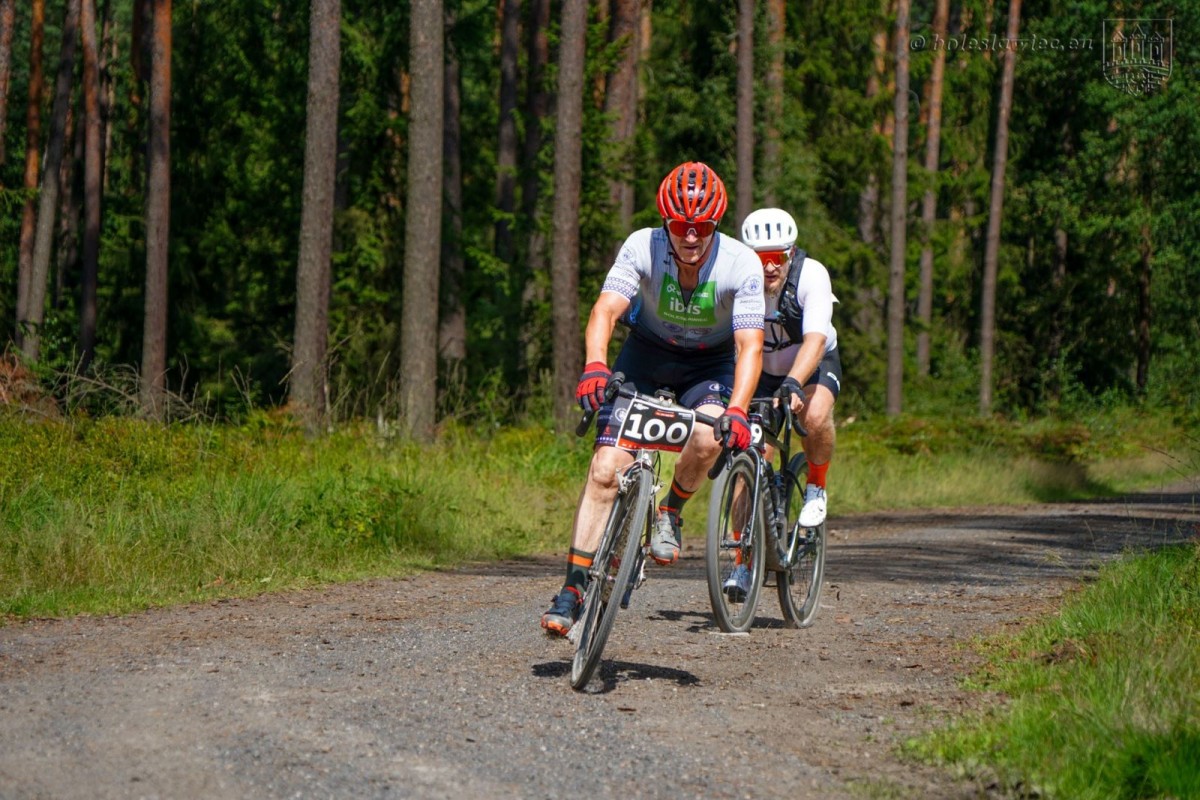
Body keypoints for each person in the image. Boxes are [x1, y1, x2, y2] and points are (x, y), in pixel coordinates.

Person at [540, 161, 766, 636]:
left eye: (701, 227)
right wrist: (595, 365)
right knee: (606, 469)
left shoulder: (741, 263)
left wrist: (739, 409)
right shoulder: (642, 245)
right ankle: (574, 587)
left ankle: (670, 511)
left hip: (710, 365)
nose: (690, 237)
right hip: (645, 354)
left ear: (715, 224)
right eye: (680, 227)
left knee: (708, 439)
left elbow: (750, 346)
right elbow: (605, 310)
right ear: (666, 223)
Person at [739, 207, 841, 526]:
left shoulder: (811, 275)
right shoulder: (738, 279)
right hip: (763, 372)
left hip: (812, 365)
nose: (769, 266)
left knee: (813, 415)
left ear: (791, 252)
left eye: (778, 257)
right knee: (753, 457)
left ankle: (816, 485)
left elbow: (815, 341)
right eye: (760, 257)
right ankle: (742, 561)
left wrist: (794, 381)